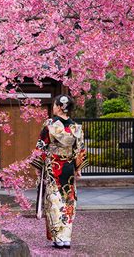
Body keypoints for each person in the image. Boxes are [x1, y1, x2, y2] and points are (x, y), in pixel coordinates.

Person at [31, 94, 88, 249]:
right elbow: (80, 149)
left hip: (52, 166)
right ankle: (66, 237)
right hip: (69, 166)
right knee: (68, 200)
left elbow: (41, 146)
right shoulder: (76, 127)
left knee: (54, 200)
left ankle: (58, 237)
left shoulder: (50, 125)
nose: (53, 107)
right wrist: (78, 169)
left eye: (55, 105)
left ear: (59, 107)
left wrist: (38, 166)